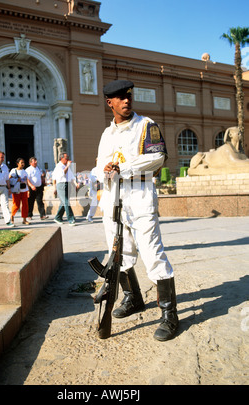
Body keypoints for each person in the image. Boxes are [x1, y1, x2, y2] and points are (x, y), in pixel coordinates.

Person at [96, 79, 179, 341]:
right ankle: (133, 299)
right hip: (113, 202)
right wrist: (105, 171)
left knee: (153, 254)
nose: (126, 101)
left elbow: (158, 157)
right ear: (110, 102)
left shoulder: (146, 125)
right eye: (120, 98)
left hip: (140, 199)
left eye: (129, 96)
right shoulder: (107, 134)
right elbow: (98, 166)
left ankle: (169, 315)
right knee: (120, 254)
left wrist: (126, 168)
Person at [52, 153, 78, 226]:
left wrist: (76, 184)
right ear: (61, 158)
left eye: (68, 157)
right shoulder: (59, 166)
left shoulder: (66, 166)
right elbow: (63, 173)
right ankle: (71, 219)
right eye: (66, 158)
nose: (68, 159)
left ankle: (58, 217)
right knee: (66, 202)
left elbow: (71, 176)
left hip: (67, 184)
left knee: (64, 203)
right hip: (61, 185)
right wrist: (68, 165)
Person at [9, 158, 30, 225]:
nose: (23, 164)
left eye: (23, 162)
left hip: (24, 190)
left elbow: (27, 181)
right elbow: (9, 179)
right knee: (16, 204)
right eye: (21, 162)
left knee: (25, 205)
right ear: (17, 163)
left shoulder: (25, 171)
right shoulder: (13, 170)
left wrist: (28, 190)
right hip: (16, 190)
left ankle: (24, 219)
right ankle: (12, 216)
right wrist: (16, 180)